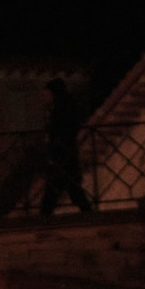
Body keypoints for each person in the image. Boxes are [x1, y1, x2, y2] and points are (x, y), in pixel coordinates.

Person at [41, 79, 92, 219]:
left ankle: (43, 218)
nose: (45, 98)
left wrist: (52, 143)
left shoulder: (61, 111)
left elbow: (61, 132)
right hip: (65, 155)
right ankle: (88, 213)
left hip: (62, 155)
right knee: (72, 188)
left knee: (56, 189)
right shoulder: (62, 109)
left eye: (47, 95)